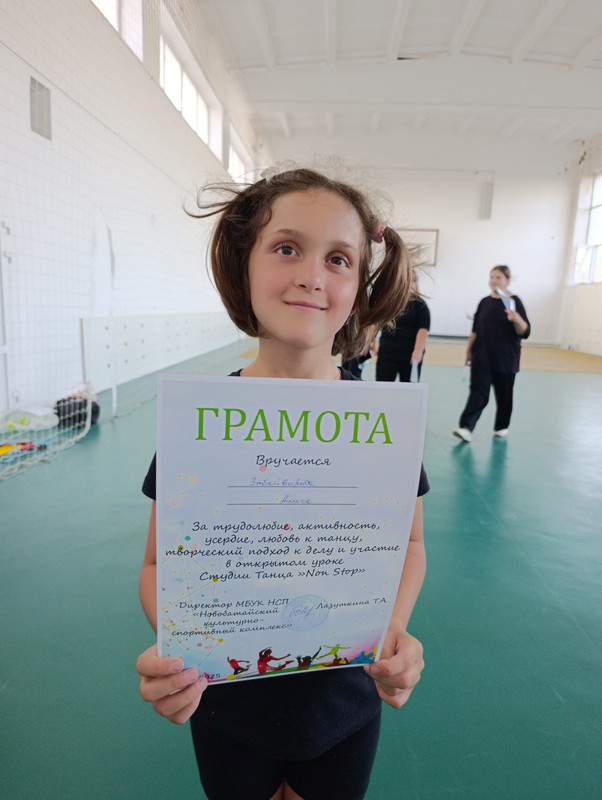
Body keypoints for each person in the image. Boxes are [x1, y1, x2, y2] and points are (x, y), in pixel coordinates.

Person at [136, 167, 429, 800]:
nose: (312, 276)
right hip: (226, 703)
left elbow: (409, 545)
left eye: (339, 259)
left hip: (344, 704)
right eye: (287, 248)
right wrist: (181, 653)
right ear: (244, 265)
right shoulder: (195, 424)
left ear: (359, 286)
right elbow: (159, 564)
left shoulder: (387, 425)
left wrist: (393, 632)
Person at [453, 264, 530, 442]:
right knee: (478, 393)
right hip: (482, 357)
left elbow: (525, 331)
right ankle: (466, 427)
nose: (494, 280)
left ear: (507, 280)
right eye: (492, 277)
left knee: (504, 397)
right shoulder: (484, 302)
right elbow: (475, 330)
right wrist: (468, 352)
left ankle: (501, 426)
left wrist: (516, 318)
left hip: (506, 359)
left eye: (498, 277)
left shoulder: (514, 302)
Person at [375, 270, 430, 382]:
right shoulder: (389, 302)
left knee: (409, 388)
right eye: (407, 281)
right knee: (383, 386)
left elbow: (423, 330)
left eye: (413, 281)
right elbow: (376, 323)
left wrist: (418, 351)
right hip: (387, 353)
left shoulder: (420, 305)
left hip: (409, 356)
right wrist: (371, 342)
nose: (410, 285)